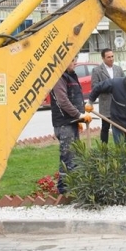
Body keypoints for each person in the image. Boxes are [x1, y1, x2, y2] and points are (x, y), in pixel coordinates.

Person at [50, 58, 90, 194]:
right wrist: (78, 115)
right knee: (67, 156)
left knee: (75, 155)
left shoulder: (72, 76)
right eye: (72, 60)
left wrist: (80, 117)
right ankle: (63, 189)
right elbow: (63, 101)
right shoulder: (59, 77)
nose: (75, 63)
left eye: (75, 60)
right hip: (64, 123)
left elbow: (76, 97)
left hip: (72, 122)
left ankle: (74, 186)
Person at [91, 48, 124, 143]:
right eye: (108, 57)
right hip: (106, 105)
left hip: (118, 105)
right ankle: (104, 150)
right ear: (103, 58)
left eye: (112, 56)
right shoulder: (97, 70)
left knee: (119, 128)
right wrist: (108, 87)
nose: (111, 59)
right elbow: (95, 87)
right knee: (105, 128)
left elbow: (124, 84)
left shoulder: (118, 69)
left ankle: (121, 148)